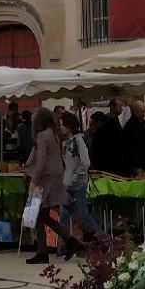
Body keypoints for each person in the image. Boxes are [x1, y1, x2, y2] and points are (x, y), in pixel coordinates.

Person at [25, 108, 72, 263]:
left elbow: (41, 160)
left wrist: (34, 180)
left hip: (45, 180)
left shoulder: (41, 136)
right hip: (56, 177)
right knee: (43, 215)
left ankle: (43, 251)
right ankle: (66, 241)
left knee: (39, 215)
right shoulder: (54, 134)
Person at [61, 113, 102, 244]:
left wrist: (74, 177)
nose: (60, 128)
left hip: (78, 184)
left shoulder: (79, 141)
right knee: (64, 216)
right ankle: (67, 244)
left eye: (62, 125)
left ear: (69, 126)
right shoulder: (66, 143)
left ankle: (104, 239)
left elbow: (85, 162)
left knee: (84, 216)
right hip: (67, 185)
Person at [89, 108, 129, 176]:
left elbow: (96, 155)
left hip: (104, 170)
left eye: (92, 124)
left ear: (98, 122)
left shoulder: (99, 136)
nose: (91, 127)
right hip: (117, 168)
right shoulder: (112, 130)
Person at [122, 100, 145, 175]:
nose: (143, 114)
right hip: (137, 166)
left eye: (144, 111)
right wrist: (136, 166)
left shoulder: (143, 124)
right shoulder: (130, 126)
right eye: (141, 112)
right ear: (134, 111)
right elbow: (131, 148)